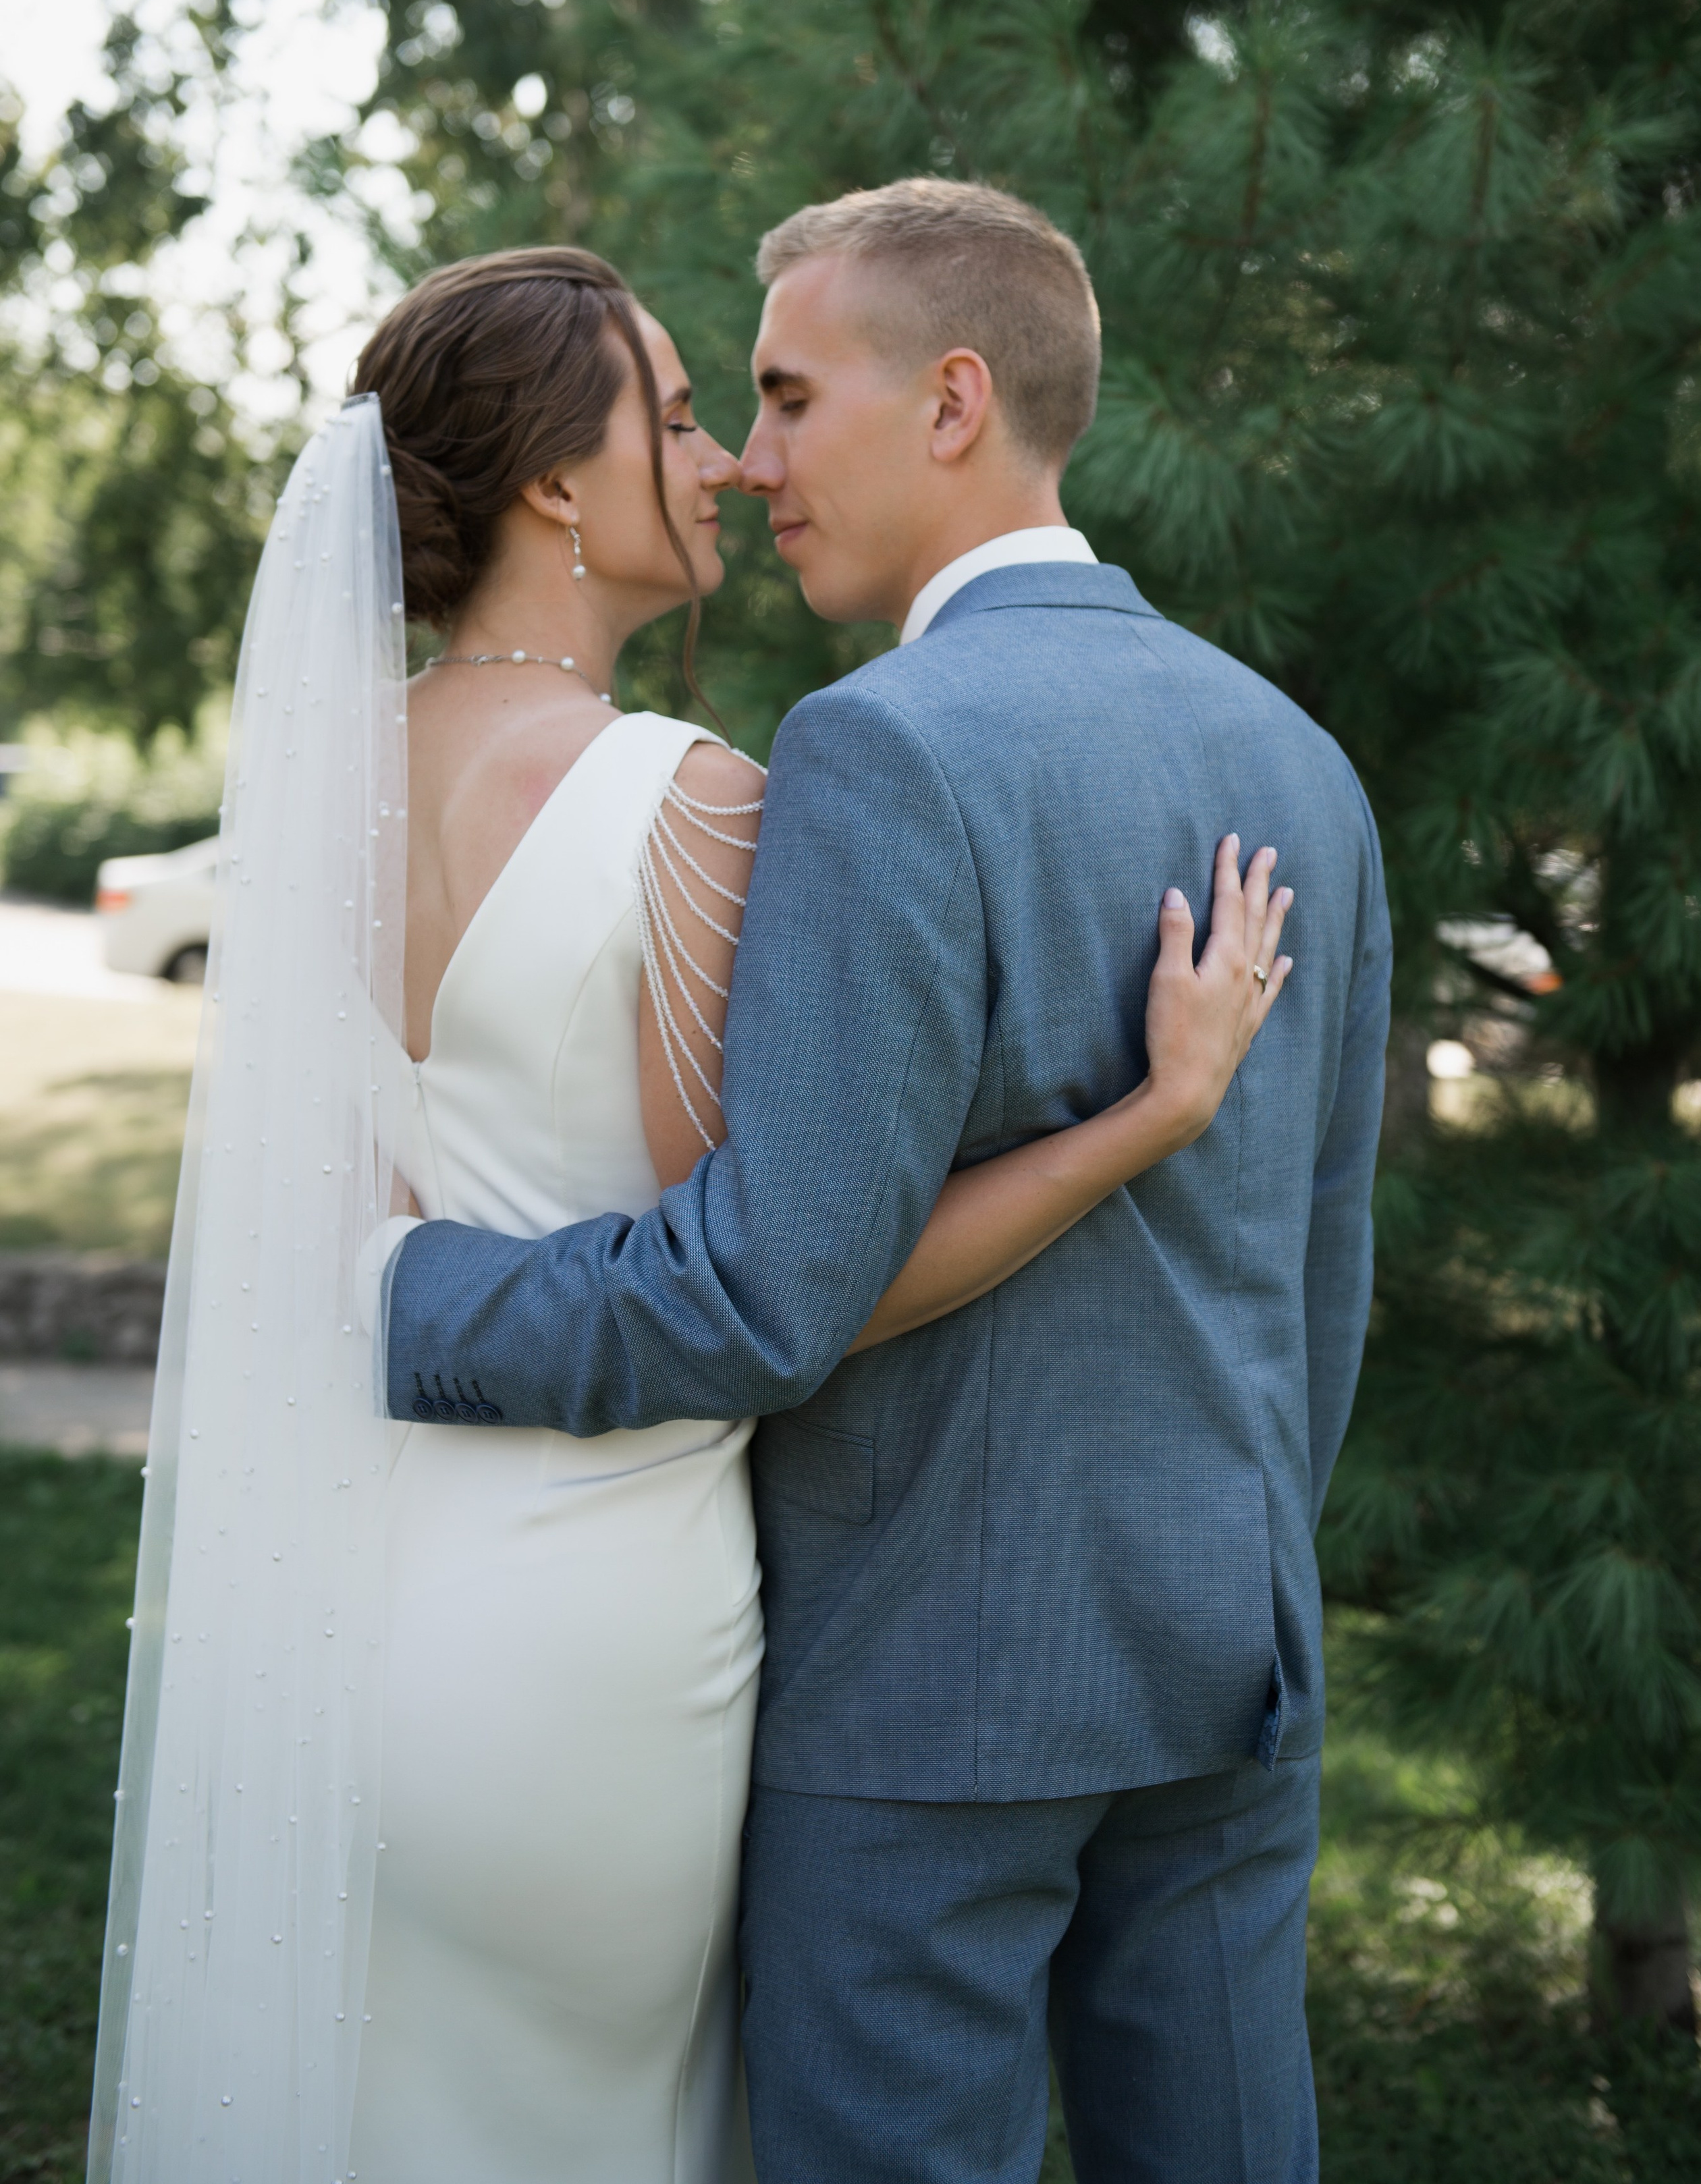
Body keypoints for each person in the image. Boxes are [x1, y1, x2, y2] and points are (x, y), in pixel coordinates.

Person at [88, 235, 1290, 2184]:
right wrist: (1145, 1116)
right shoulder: (690, 798)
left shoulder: (326, 794)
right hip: (598, 1622)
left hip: (354, 1601)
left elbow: (362, 1218)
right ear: (558, 483)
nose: (726, 457)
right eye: (671, 412)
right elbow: (787, 1284)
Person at [383, 183, 1393, 2184]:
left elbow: (766, 1290)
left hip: (926, 1688)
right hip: (1228, 1650)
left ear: (951, 401)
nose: (751, 462)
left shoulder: (878, 751)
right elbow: (1324, 1262)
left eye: (783, 395)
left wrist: (391, 1301)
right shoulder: (1301, 762)